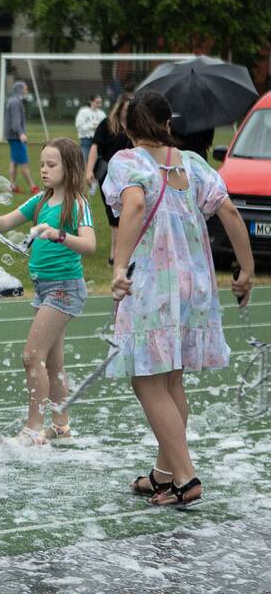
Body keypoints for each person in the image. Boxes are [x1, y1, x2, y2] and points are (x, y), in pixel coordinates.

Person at [104, 88, 253, 507]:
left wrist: (119, 267)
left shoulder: (126, 162)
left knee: (146, 380)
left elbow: (132, 206)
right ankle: (163, 475)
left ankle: (186, 478)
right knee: (171, 380)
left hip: (153, 285)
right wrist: (246, 268)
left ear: (129, 127)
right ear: (168, 124)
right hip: (196, 285)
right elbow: (230, 213)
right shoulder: (194, 163)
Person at [0, 138, 95, 446]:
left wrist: (59, 235)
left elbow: (89, 245)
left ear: (70, 168)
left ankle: (33, 428)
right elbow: (7, 221)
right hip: (45, 288)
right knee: (53, 362)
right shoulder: (39, 201)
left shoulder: (76, 205)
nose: (44, 171)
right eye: (42, 165)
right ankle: (61, 426)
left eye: (52, 165)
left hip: (65, 289)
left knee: (31, 355)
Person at [85, 93, 134, 265]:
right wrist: (89, 170)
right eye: (126, 109)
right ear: (120, 108)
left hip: (130, 174)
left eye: (131, 110)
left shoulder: (136, 127)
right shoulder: (106, 124)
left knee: (128, 212)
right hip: (107, 173)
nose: (128, 113)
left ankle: (125, 251)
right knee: (112, 214)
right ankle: (114, 252)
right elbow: (95, 147)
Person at [4, 81, 38, 195]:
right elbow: (15, 121)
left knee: (14, 162)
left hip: (12, 136)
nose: (26, 91)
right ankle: (33, 187)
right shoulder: (15, 102)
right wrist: (21, 134)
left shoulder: (14, 101)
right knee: (24, 163)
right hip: (16, 137)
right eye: (25, 89)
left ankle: (12, 186)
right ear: (19, 89)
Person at [75, 94, 106, 162]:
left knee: (98, 161)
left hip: (98, 140)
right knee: (84, 160)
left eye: (100, 103)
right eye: (97, 102)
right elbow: (79, 126)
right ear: (91, 101)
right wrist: (92, 126)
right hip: (86, 139)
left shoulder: (102, 114)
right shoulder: (83, 112)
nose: (99, 104)